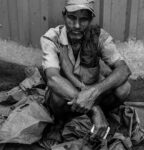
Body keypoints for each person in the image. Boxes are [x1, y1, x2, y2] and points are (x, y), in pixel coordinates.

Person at [40, 0, 131, 144]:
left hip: (92, 91)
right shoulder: (52, 37)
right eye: (72, 18)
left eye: (83, 19)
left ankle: (104, 117)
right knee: (56, 95)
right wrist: (94, 109)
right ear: (64, 16)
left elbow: (123, 69)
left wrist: (94, 92)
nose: (76, 25)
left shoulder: (99, 36)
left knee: (124, 88)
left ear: (90, 20)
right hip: (66, 96)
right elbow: (52, 78)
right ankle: (60, 122)